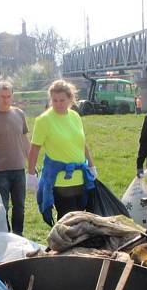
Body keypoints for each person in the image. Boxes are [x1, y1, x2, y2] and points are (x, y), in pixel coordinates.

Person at [27, 79, 97, 225]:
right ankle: (62, 247)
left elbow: (82, 143)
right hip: (61, 181)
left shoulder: (75, 117)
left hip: (81, 178)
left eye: (62, 100)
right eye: (55, 100)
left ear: (70, 99)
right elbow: (34, 150)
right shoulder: (44, 120)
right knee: (68, 223)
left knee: (83, 221)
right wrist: (31, 175)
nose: (58, 104)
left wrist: (91, 166)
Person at [0, 81, 30, 235]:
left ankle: (18, 235)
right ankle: (5, 235)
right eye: (2, 96)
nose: (5, 100)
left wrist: (30, 162)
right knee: (2, 207)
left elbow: (24, 138)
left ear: (12, 96)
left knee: (20, 206)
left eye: (8, 96)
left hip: (19, 168)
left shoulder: (19, 114)